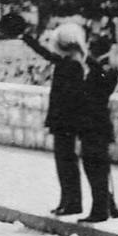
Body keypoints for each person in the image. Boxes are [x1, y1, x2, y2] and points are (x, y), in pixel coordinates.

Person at [22, 23, 87, 216]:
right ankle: (67, 200)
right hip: (64, 121)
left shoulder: (71, 65)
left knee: (66, 162)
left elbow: (70, 96)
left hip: (65, 121)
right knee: (64, 162)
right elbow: (46, 54)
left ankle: (72, 202)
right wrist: (27, 39)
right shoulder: (70, 62)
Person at [78, 34, 118, 223]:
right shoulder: (104, 65)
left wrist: (86, 58)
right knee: (97, 167)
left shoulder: (106, 66)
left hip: (96, 124)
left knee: (95, 167)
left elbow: (102, 82)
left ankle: (100, 209)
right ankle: (106, 204)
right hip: (94, 123)